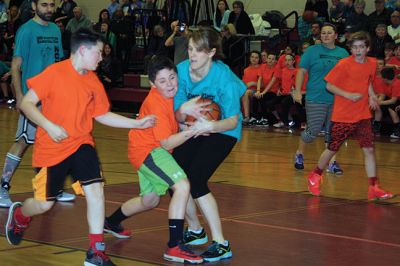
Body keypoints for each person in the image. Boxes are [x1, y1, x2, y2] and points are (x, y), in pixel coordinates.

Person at [5, 28, 156, 266]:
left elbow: (102, 114)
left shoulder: (92, 80)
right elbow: (26, 103)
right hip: (52, 149)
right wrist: (50, 125)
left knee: (96, 190)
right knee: (45, 203)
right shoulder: (54, 73)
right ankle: (21, 214)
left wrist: (136, 123)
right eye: (98, 52)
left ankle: (96, 251)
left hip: (82, 144)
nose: (101, 57)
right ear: (83, 50)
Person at [103, 56, 203, 264]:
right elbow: (166, 143)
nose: (170, 84)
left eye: (172, 78)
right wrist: (195, 130)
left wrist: (184, 120)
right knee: (182, 186)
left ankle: (111, 222)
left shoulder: (166, 97)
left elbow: (169, 125)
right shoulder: (156, 102)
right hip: (150, 151)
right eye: (163, 81)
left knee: (150, 200)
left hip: (142, 149)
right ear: (153, 84)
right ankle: (174, 246)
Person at [172, 27, 246, 262]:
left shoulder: (225, 77)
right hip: (194, 128)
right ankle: (195, 230)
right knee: (173, 177)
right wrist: (184, 120)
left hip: (223, 129)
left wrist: (209, 126)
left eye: (198, 50)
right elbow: (177, 112)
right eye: (190, 49)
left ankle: (221, 243)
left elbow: (232, 119)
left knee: (196, 179)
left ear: (212, 52)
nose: (192, 54)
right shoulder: (181, 71)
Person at [0, 0, 75, 208]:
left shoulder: (55, 30)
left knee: (53, 141)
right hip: (33, 98)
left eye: (51, 5)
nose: (49, 9)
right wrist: (20, 96)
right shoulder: (26, 31)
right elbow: (16, 66)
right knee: (23, 141)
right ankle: (2, 187)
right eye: (44, 5)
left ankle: (52, 188)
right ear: (34, 6)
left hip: (53, 98)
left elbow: (58, 63)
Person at [306, 31, 394, 201]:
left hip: (362, 115)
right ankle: (315, 175)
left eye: (361, 47)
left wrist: (372, 96)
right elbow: (330, 86)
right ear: (351, 49)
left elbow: (367, 81)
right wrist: (348, 95)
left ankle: (373, 187)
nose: (358, 50)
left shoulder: (372, 63)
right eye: (354, 47)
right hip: (343, 116)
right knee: (332, 148)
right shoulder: (343, 64)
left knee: (369, 149)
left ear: (367, 48)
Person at [293, 23, 348, 173]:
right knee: (313, 131)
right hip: (316, 96)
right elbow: (301, 71)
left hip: (337, 98)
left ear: (336, 36)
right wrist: (297, 91)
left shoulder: (343, 53)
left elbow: (348, 76)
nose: (326, 35)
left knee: (333, 132)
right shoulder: (312, 51)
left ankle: (332, 162)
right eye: (323, 33)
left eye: (330, 33)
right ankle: (299, 154)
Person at [241, 50, 262, 125]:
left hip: (258, 91)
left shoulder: (261, 68)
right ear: (249, 58)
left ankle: (247, 117)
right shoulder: (246, 70)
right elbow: (243, 84)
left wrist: (254, 83)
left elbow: (264, 85)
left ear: (259, 59)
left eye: (256, 57)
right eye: (252, 57)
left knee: (246, 92)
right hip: (247, 90)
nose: (254, 59)